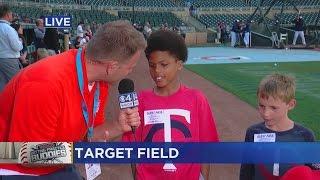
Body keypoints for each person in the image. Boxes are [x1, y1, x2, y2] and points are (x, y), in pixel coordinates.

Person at [0, 20, 146, 178]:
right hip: (15, 169)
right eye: (130, 67)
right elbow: (28, 154)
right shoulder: (45, 83)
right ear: (111, 67)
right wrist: (81, 151)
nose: (130, 72)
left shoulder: (99, 82)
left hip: (56, 166)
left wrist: (118, 126)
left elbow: (88, 136)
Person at [122, 30, 219, 180]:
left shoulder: (196, 99)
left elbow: (205, 146)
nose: (157, 71)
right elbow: (133, 147)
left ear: (179, 64)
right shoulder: (140, 101)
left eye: (164, 64)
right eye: (152, 65)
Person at [240, 73, 316, 180]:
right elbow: (246, 172)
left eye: (274, 108)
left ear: (291, 104)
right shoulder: (253, 132)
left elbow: (314, 174)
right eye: (262, 106)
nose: (266, 113)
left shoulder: (306, 136)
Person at [0, 4, 23, 92]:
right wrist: (20, 41)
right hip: (9, 60)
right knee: (15, 84)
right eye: (11, 14)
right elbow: (16, 47)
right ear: (7, 15)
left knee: (3, 84)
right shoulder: (8, 29)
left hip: (1, 59)